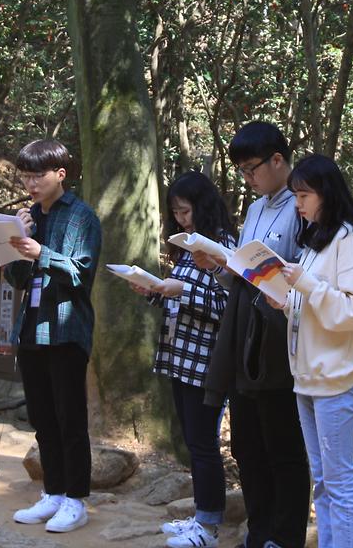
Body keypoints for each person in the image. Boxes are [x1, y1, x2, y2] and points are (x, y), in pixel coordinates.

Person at [200, 122, 311, 548]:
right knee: (247, 444)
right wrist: (219, 265)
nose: (248, 179)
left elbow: (306, 273)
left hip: (280, 340)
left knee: (282, 444)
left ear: (278, 160)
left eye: (252, 169)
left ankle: (284, 537)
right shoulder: (255, 209)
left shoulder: (302, 205)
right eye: (242, 171)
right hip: (244, 333)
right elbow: (242, 273)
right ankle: (258, 531)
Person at [128, 171, 237, 548]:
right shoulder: (188, 247)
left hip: (207, 361)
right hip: (180, 356)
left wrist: (182, 290)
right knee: (193, 441)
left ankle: (208, 526)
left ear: (203, 207)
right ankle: (201, 515)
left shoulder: (222, 246)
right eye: (175, 213)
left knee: (203, 443)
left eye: (185, 211)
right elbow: (182, 299)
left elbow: (227, 305)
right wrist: (154, 290)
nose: (181, 219)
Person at [277, 154, 353, 548]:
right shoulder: (318, 240)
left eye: (304, 195)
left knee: (339, 483)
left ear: (327, 193)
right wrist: (285, 301)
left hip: (336, 377)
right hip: (308, 376)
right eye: (295, 196)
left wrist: (304, 285)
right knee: (322, 481)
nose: (298, 204)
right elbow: (316, 306)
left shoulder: (350, 240)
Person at [2, 138, 102, 534]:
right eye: (25, 176)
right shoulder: (29, 217)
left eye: (37, 176)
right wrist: (13, 243)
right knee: (42, 419)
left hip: (65, 329)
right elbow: (18, 279)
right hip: (32, 328)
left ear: (60, 174)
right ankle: (53, 493)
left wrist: (39, 252)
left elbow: (81, 273)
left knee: (69, 418)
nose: (30, 184)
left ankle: (76, 500)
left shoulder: (81, 217)